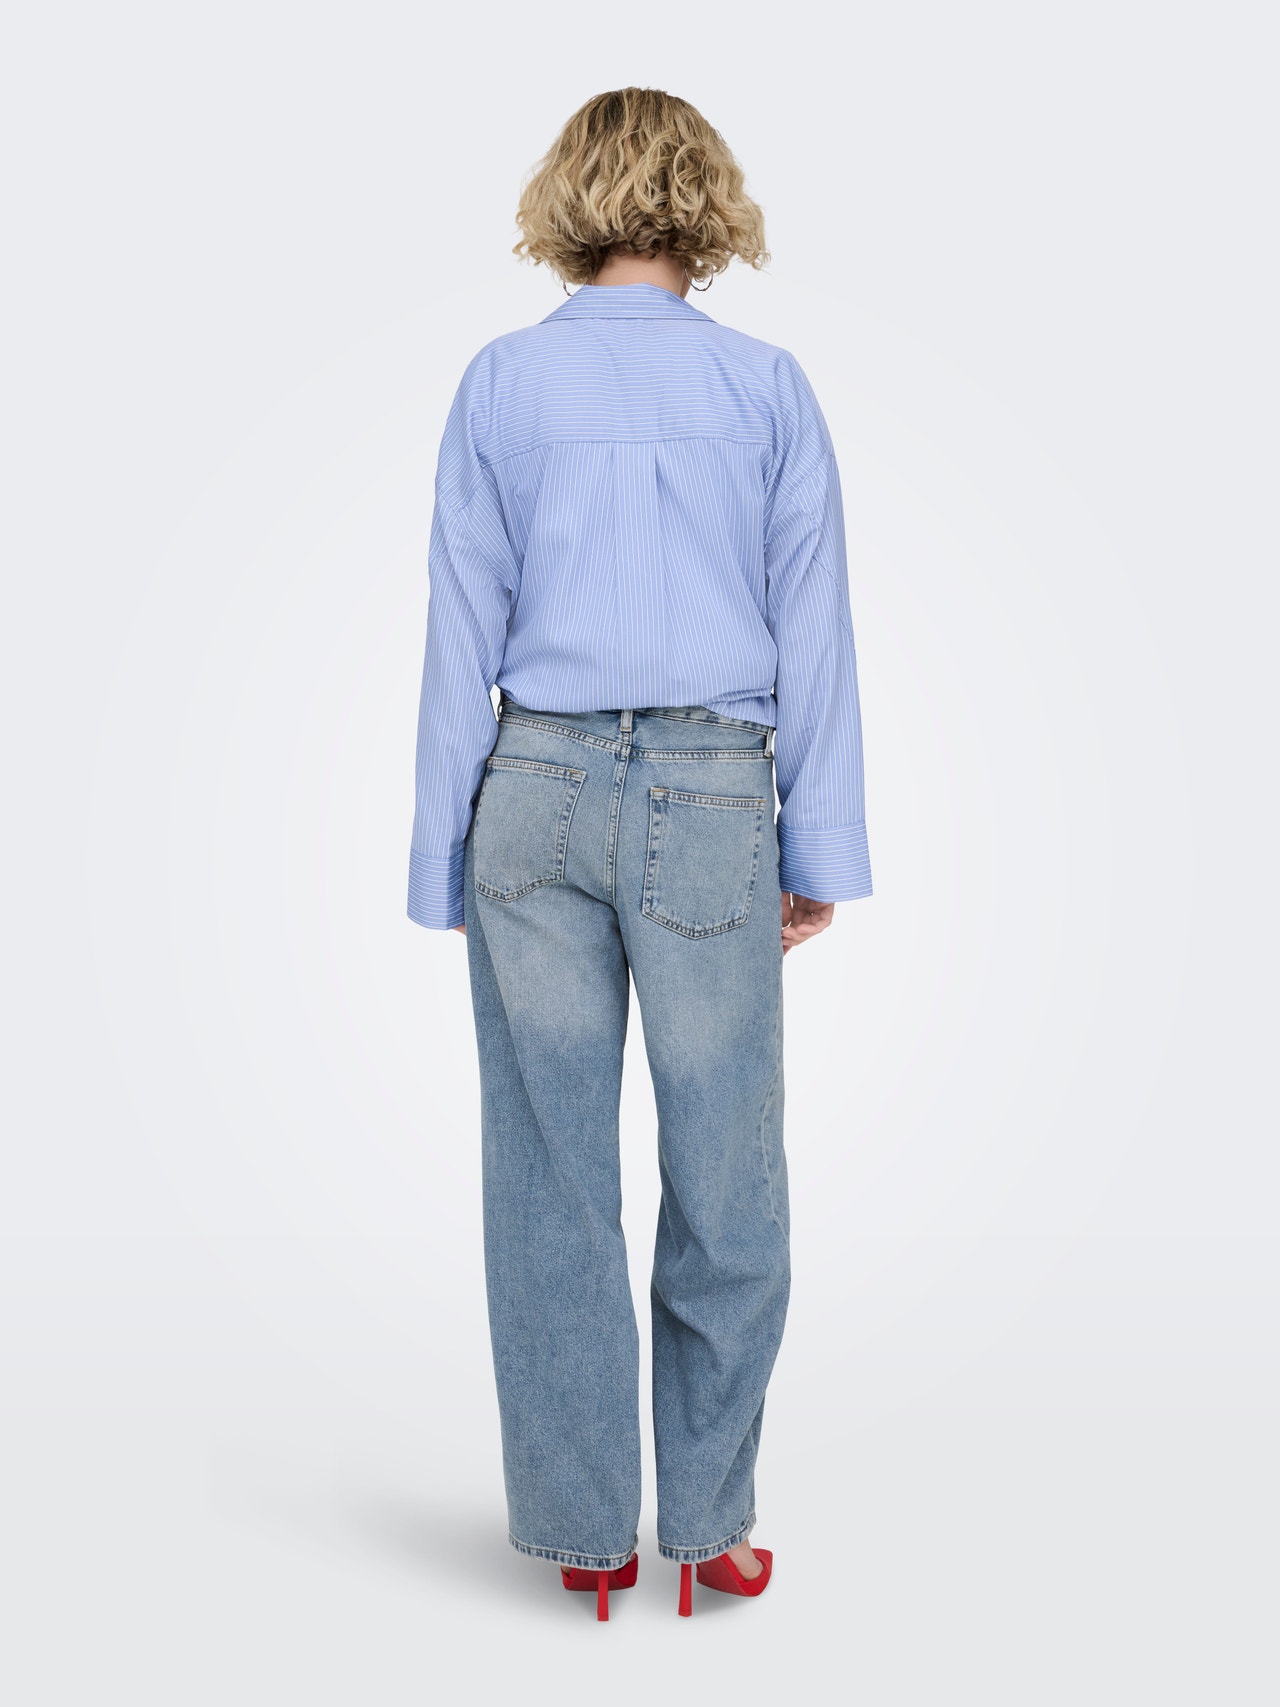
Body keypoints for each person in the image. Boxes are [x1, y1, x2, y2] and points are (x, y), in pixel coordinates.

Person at [406, 87, 873, 1619]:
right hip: (711, 797)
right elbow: (814, 628)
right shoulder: (765, 387)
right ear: (705, 201)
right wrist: (821, 841)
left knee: (546, 1177)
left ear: (570, 198)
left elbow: (459, 629)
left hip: (532, 789)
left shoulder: (500, 384)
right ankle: (711, 1525)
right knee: (728, 1174)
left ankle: (587, 1534)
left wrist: (438, 854)